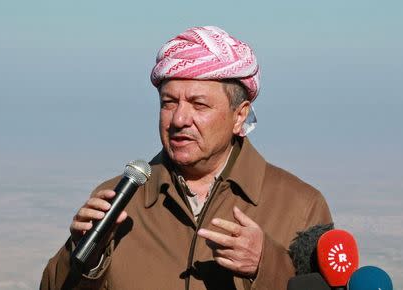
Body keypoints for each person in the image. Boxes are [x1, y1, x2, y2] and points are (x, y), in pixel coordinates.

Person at [40, 26, 332, 290]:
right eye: (169, 103)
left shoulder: (301, 206)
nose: (179, 119)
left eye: (199, 104)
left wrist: (265, 264)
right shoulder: (118, 201)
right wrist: (83, 256)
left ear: (239, 115)